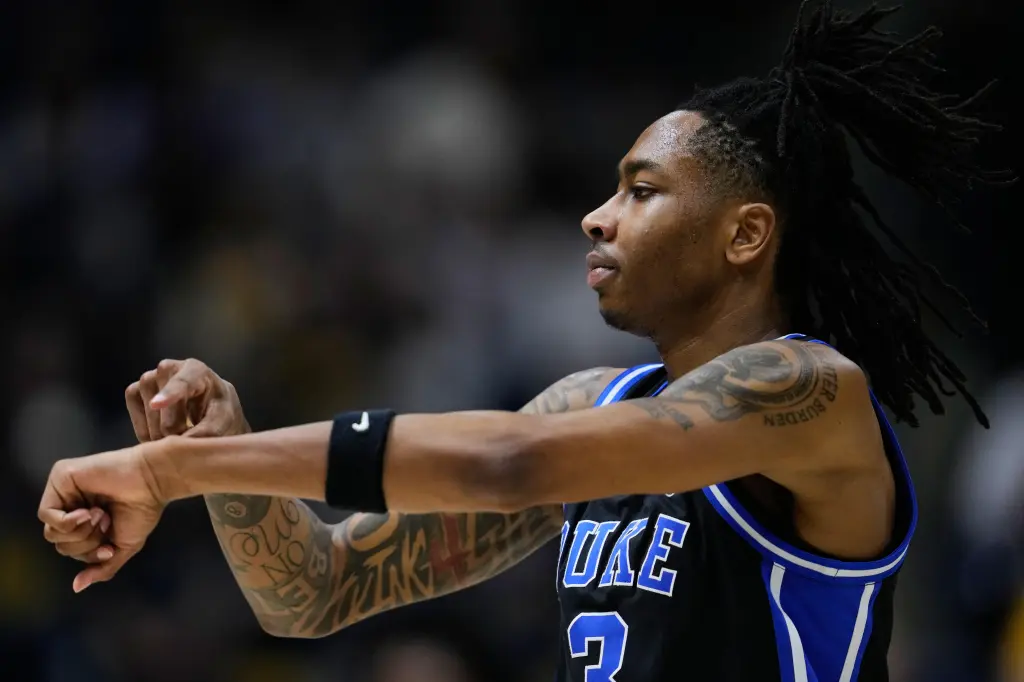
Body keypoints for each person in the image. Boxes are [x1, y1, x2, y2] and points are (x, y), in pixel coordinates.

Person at [39, 2, 1005, 680]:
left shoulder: (810, 391)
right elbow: (313, 593)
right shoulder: (596, 406)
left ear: (745, 234)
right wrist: (223, 454)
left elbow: (507, 463)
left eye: (641, 190)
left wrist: (168, 472)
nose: (597, 216)